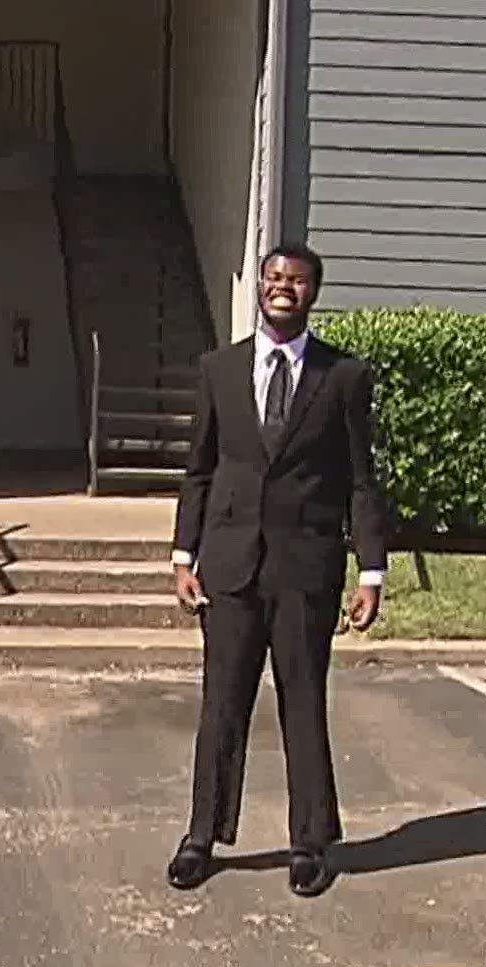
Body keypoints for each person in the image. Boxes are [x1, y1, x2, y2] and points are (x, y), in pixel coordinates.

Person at [165, 244, 388, 897]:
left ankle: (310, 843)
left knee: (302, 706)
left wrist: (370, 571)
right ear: (259, 288)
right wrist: (184, 555)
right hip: (230, 568)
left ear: (313, 293)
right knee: (221, 708)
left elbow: (361, 482)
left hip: (305, 571)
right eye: (273, 278)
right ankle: (201, 837)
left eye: (295, 280)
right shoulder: (219, 369)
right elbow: (199, 468)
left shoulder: (344, 377)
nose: (282, 288)